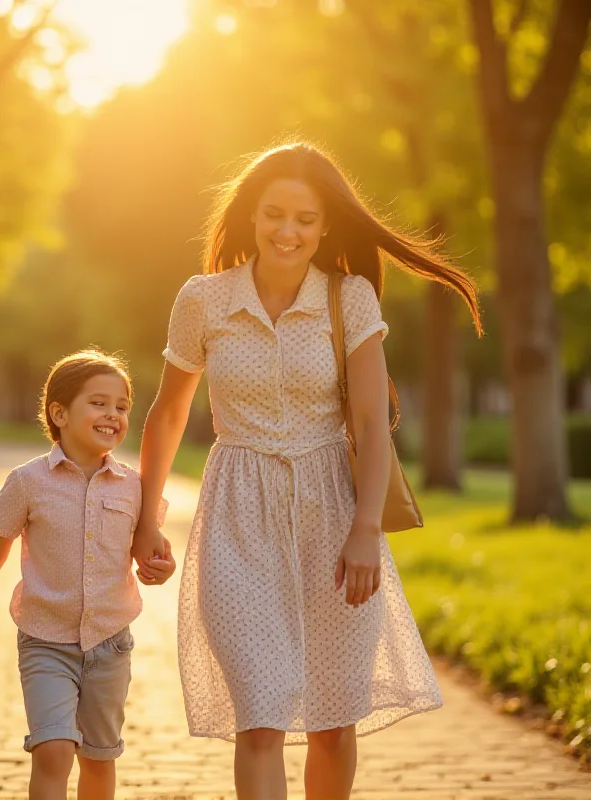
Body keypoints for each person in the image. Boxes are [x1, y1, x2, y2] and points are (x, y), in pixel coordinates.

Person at [133, 142, 482, 800]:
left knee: (331, 721)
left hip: (334, 517)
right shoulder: (202, 300)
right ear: (249, 217)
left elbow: (373, 426)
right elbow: (168, 414)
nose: (286, 232)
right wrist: (146, 522)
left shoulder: (346, 299)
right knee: (259, 718)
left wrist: (364, 530)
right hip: (237, 518)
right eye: (273, 214)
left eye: (304, 219)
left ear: (326, 228)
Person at [0, 350, 175, 800]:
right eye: (99, 403)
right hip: (45, 641)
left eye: (122, 406)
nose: (114, 414)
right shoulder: (27, 481)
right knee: (53, 750)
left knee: (100, 760)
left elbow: (153, 548)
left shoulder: (135, 486)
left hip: (110, 644)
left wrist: (161, 567)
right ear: (59, 413)